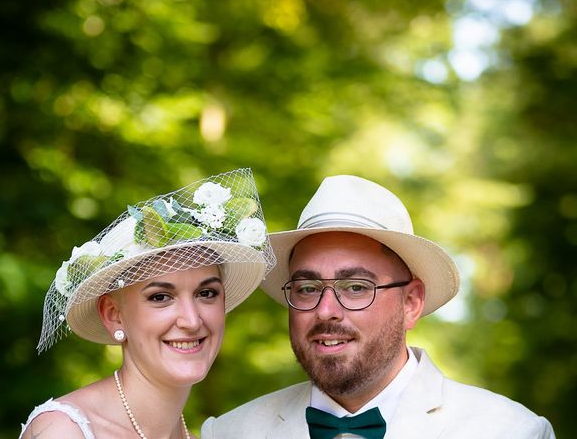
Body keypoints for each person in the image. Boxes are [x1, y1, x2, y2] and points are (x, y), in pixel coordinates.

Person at [201, 174, 555, 439]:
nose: (326, 311)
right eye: (308, 288)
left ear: (411, 303)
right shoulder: (229, 432)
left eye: (355, 287)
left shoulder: (511, 431)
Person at [19, 168, 275, 439]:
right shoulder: (64, 432)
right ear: (113, 314)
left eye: (207, 293)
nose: (191, 320)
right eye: (160, 297)